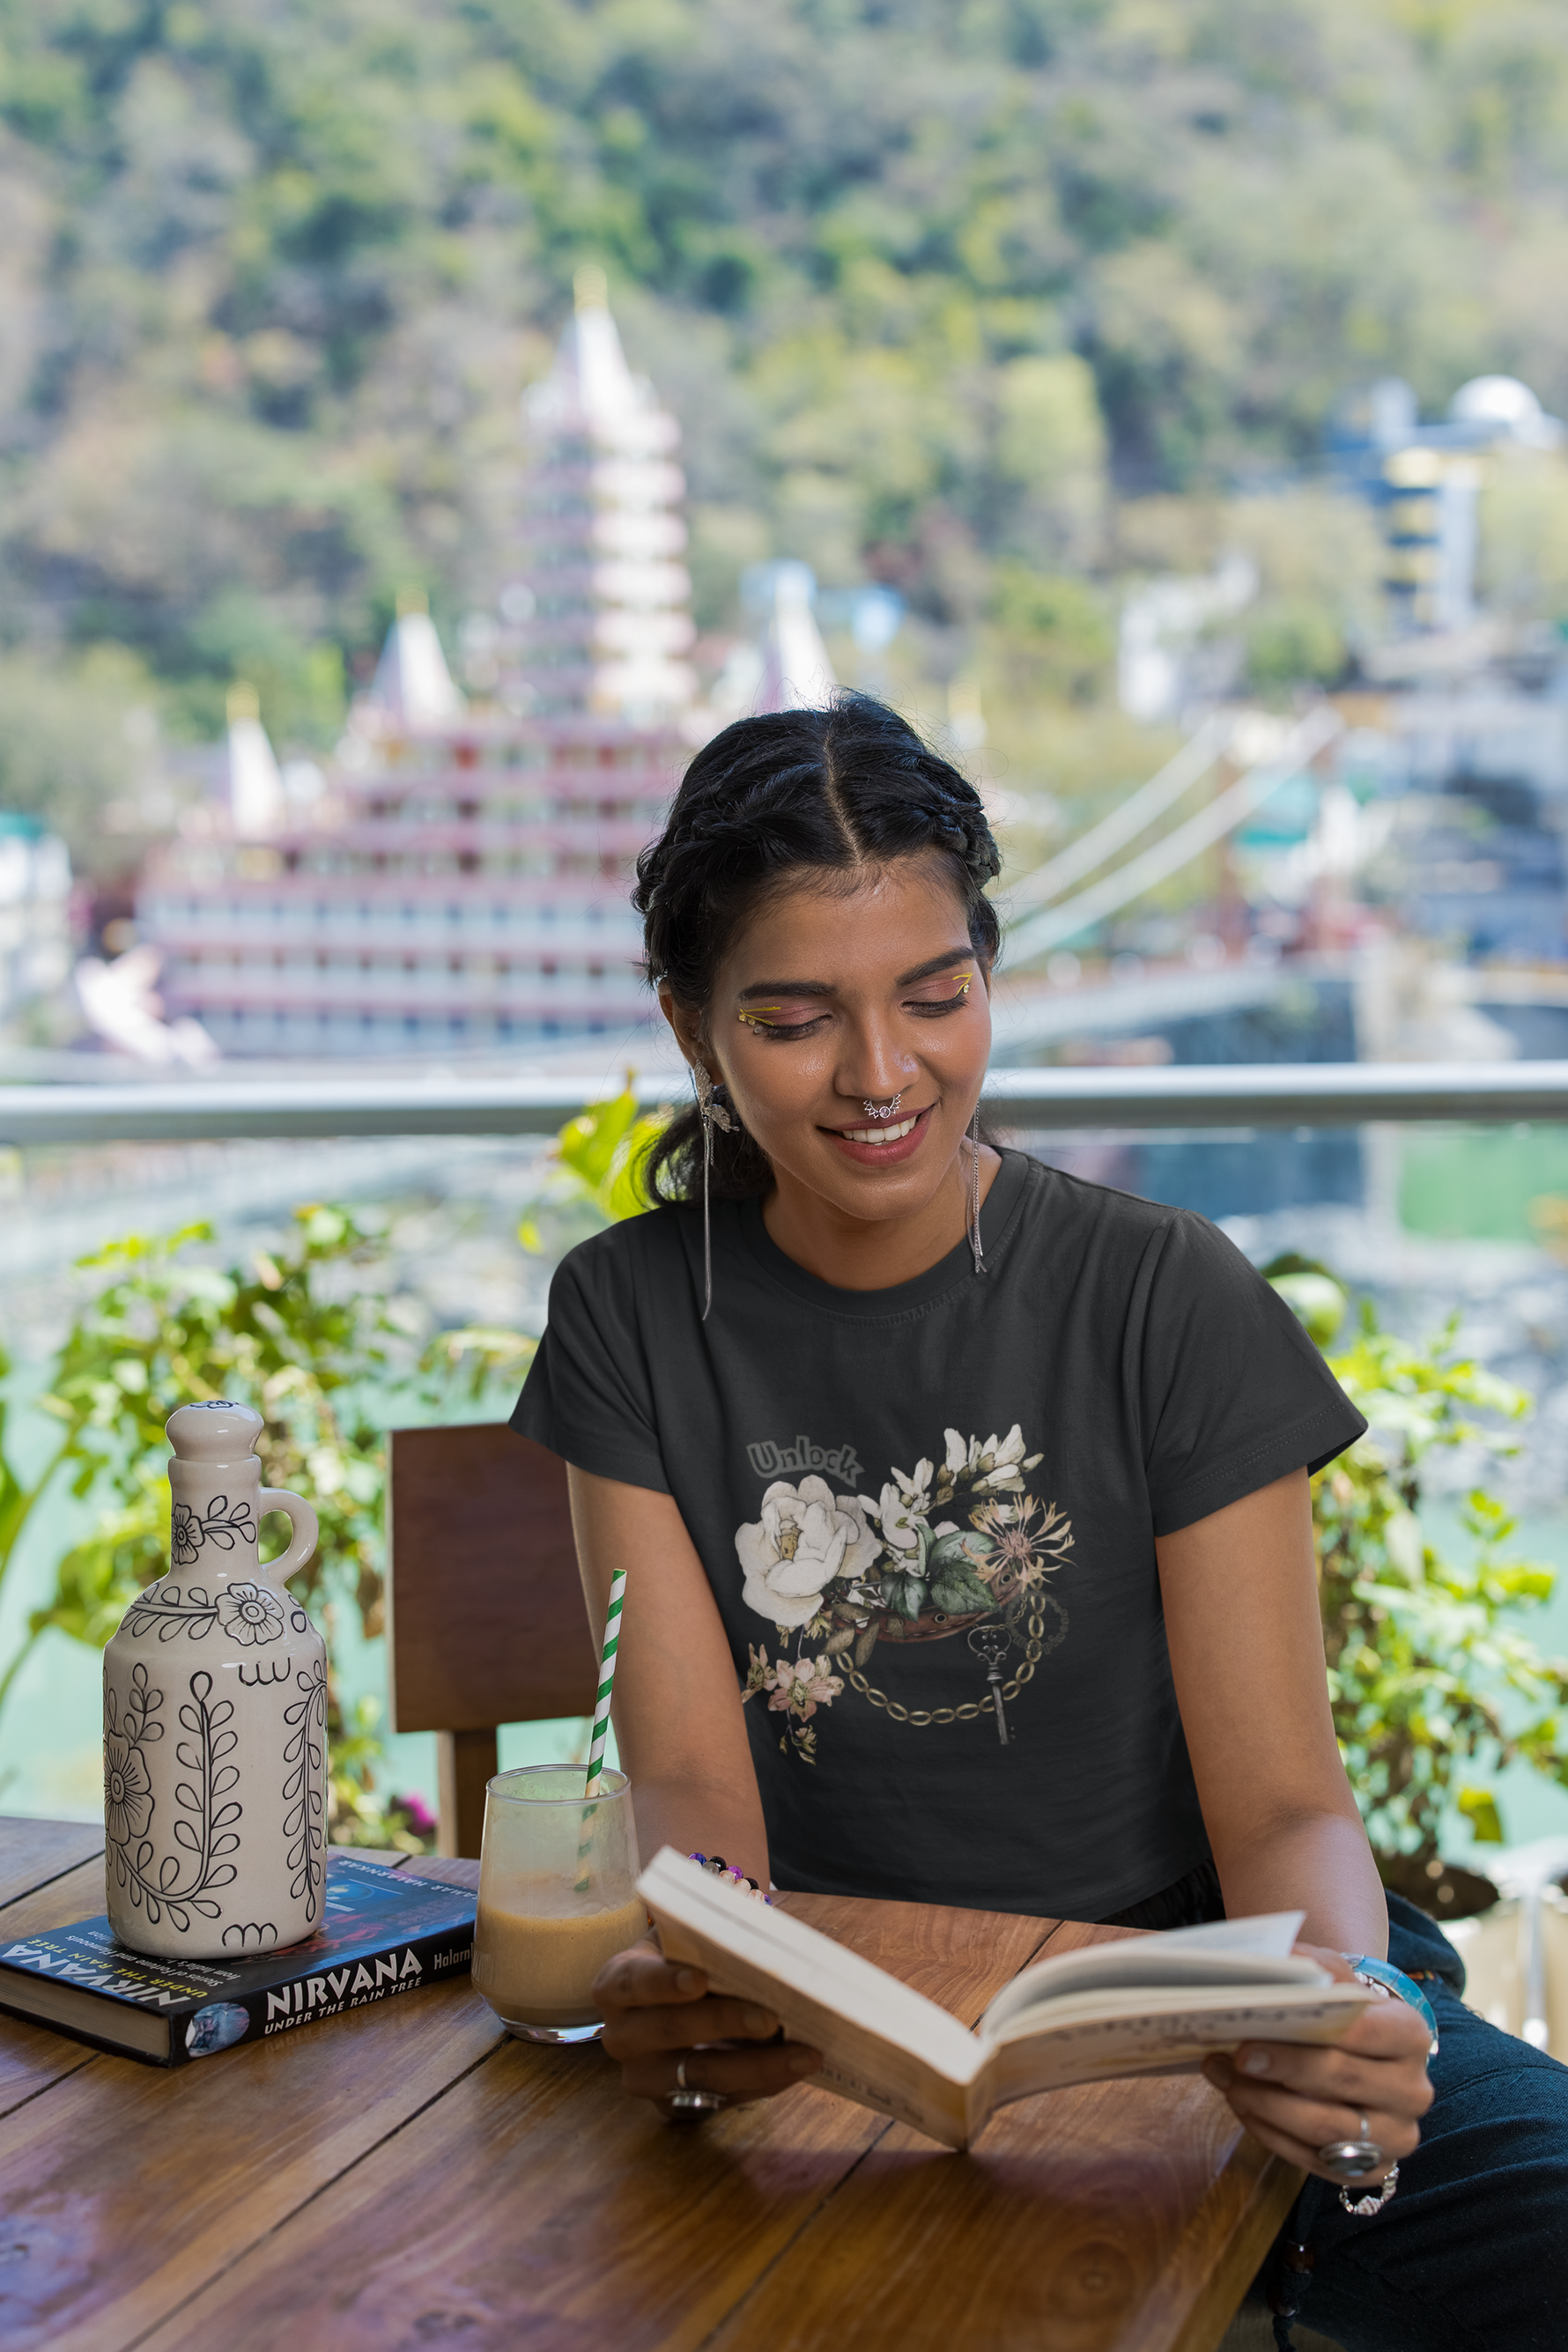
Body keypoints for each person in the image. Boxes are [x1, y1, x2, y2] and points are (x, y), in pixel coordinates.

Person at [512, 694, 1567, 2352]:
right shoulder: (630, 1316)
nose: (883, 1075)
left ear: (988, 979)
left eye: (935, 997)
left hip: (1218, 1992)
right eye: (797, 1021)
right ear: (689, 1022)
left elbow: (1287, 1806)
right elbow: (699, 1801)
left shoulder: (1165, 1294)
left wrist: (1339, 2012)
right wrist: (706, 1978)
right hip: (840, 2035)